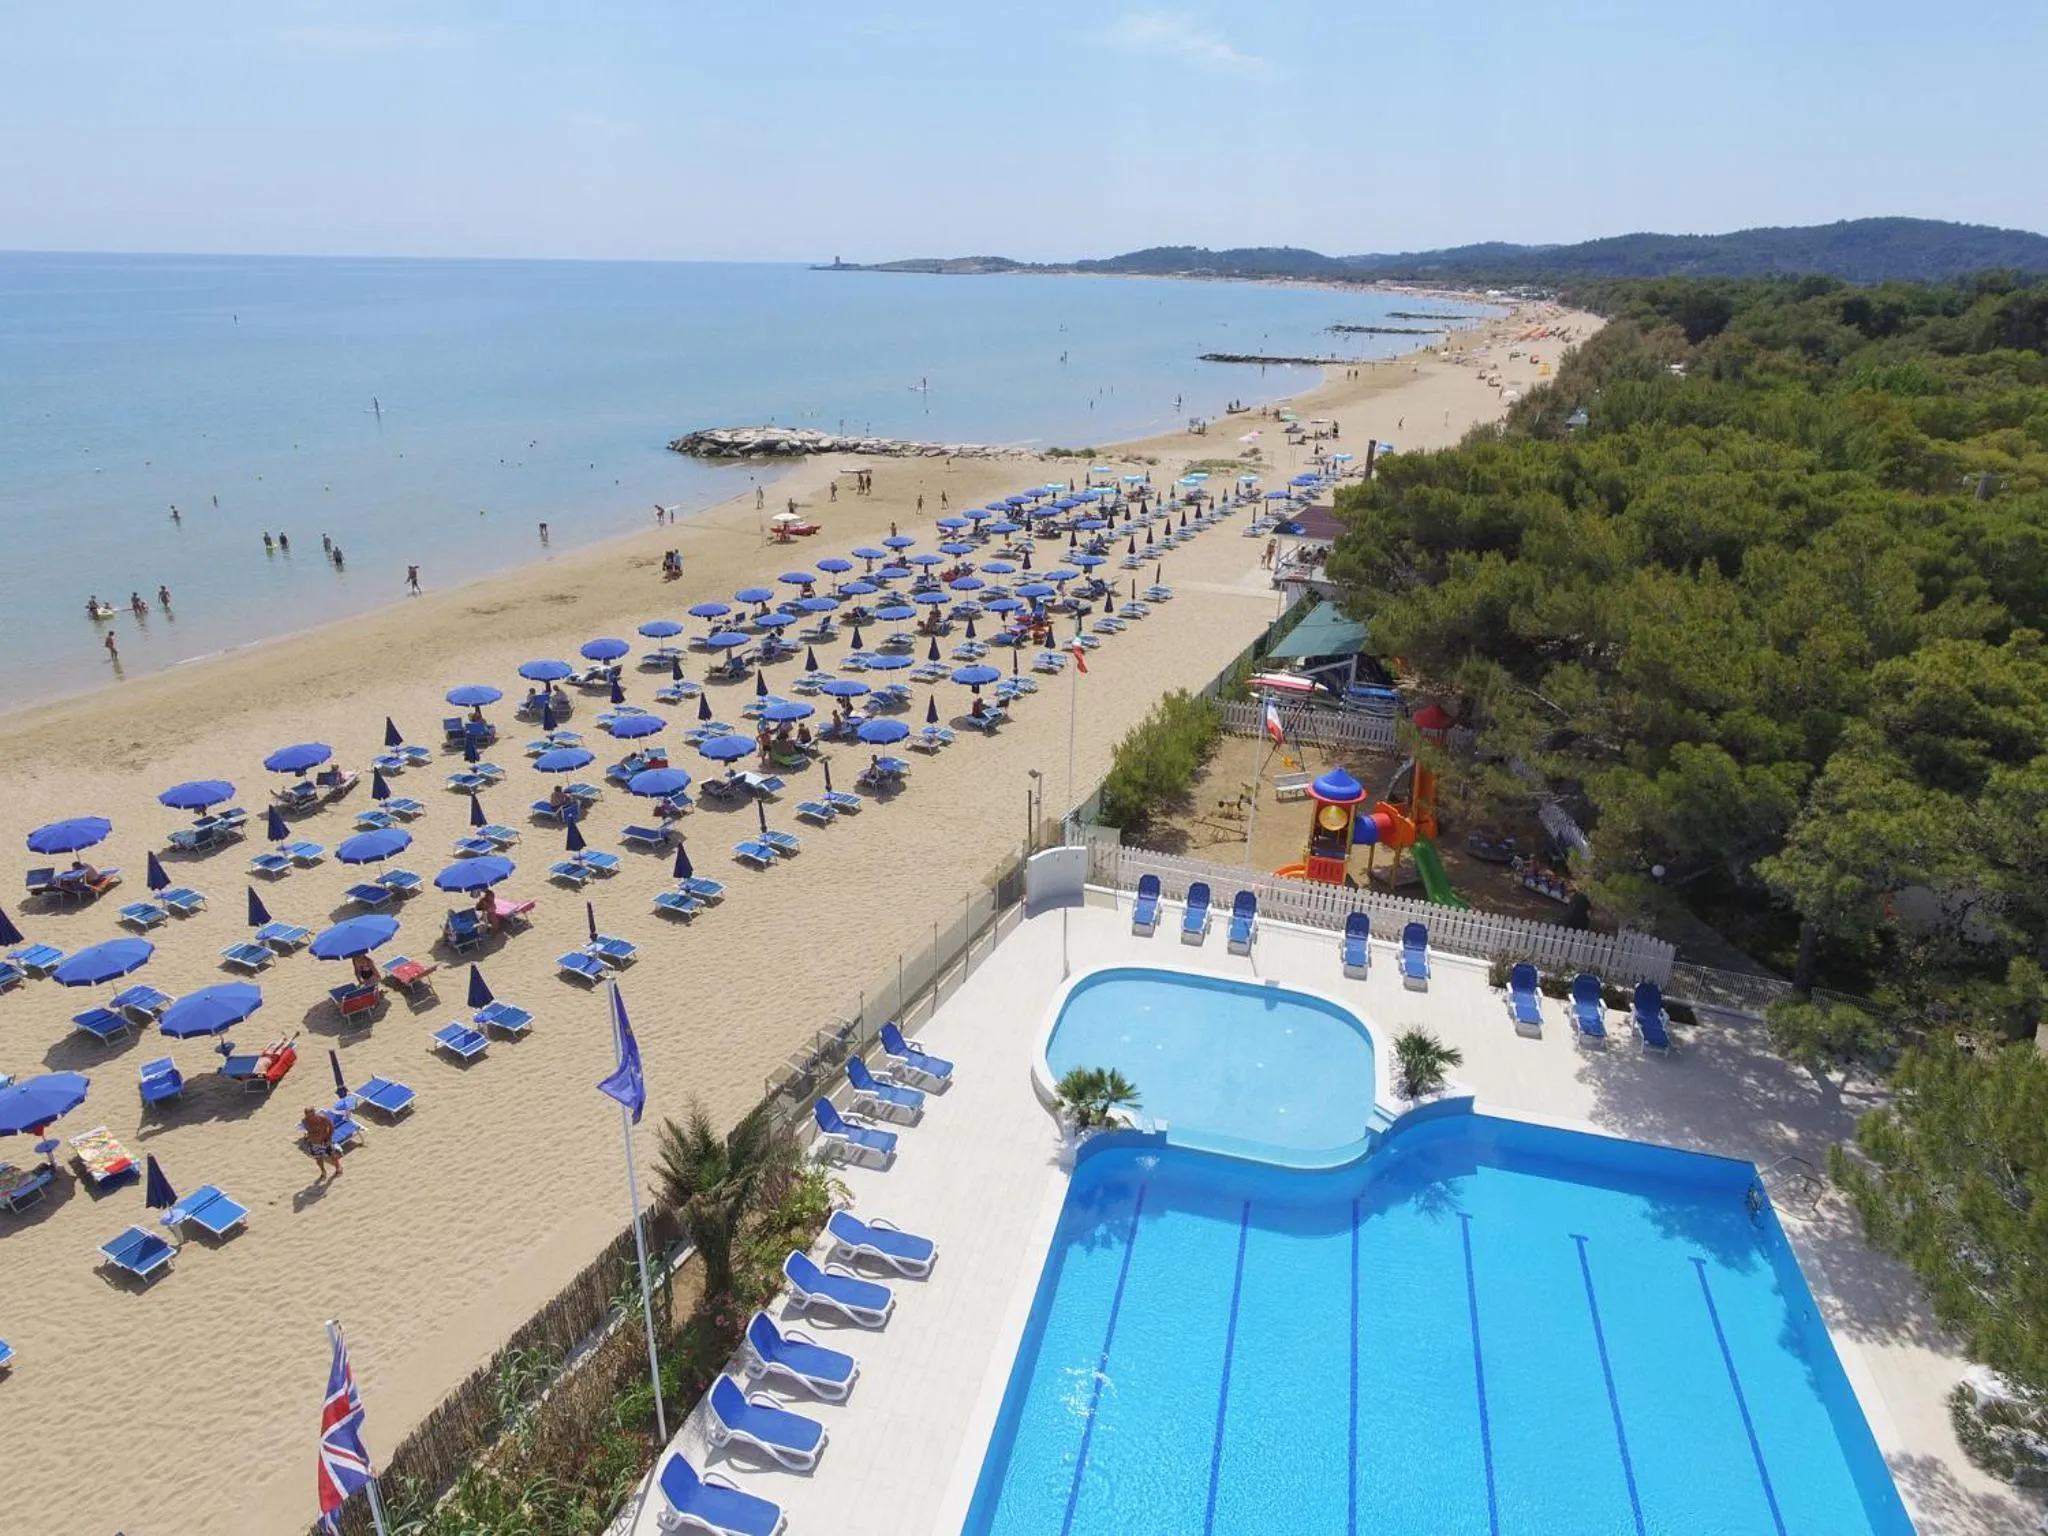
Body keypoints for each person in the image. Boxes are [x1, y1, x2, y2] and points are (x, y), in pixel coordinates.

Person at [301, 1106, 343, 1181]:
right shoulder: (304, 1121)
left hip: (324, 1141)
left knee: (332, 1155)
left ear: (314, 1113)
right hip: (314, 1143)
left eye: (311, 1115)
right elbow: (308, 1130)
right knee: (318, 1159)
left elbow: (331, 1127)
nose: (310, 1117)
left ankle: (338, 1168)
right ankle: (323, 1172)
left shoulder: (322, 1119)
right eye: (308, 1115)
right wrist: (307, 1136)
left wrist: (329, 1139)